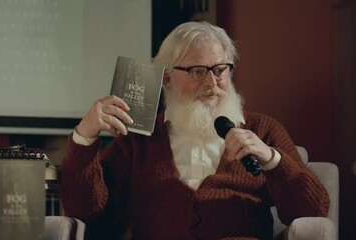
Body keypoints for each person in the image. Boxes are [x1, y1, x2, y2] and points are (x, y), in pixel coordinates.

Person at [59, 21, 330, 240]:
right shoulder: (139, 140)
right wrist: (85, 136)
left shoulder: (263, 129)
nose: (212, 82)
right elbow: (87, 211)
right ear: (167, 78)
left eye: (220, 70)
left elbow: (314, 210)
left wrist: (272, 160)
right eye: (198, 71)